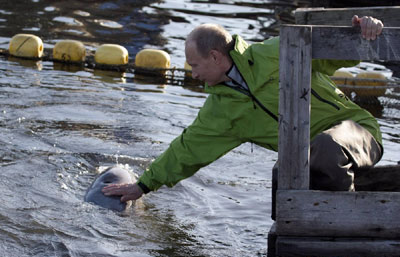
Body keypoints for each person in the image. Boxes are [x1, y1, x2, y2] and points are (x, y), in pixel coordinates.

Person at [102, 15, 384, 201]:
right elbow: (186, 151)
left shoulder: (277, 51)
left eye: (195, 65)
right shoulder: (220, 110)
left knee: (324, 147)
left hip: (357, 133)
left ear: (214, 56)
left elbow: (336, 56)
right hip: (308, 154)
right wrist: (142, 186)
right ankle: (296, 236)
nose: (194, 74)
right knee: (283, 172)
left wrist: (363, 30)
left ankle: (343, 221)